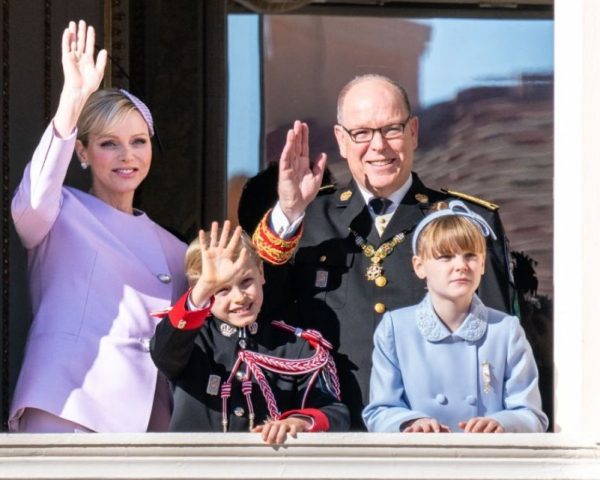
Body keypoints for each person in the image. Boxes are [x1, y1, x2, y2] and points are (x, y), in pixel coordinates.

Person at [248, 74, 515, 429]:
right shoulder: (308, 218)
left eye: (391, 129)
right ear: (342, 140)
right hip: (324, 433)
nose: (378, 146)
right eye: (361, 133)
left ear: (413, 132)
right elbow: (258, 316)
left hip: (433, 434)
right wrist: (289, 211)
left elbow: (499, 343)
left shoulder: (465, 221)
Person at [9, 20, 188, 432]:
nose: (127, 156)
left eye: (139, 141)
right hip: (67, 403)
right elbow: (33, 200)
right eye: (109, 143)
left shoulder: (174, 250)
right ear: (83, 153)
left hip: (143, 420)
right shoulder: (58, 213)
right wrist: (72, 102)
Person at [150, 221, 349, 444]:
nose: (239, 297)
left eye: (246, 282)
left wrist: (298, 421)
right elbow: (162, 353)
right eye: (222, 289)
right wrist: (202, 290)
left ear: (261, 272)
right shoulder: (192, 339)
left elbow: (335, 412)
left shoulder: (294, 345)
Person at [362, 201, 548, 433]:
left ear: (482, 265)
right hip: (418, 462)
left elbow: (530, 414)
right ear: (419, 266)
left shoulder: (505, 330)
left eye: (470, 256)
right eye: (445, 257)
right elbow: (380, 410)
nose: (461, 266)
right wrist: (412, 422)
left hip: (487, 462)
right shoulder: (395, 328)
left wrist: (502, 423)